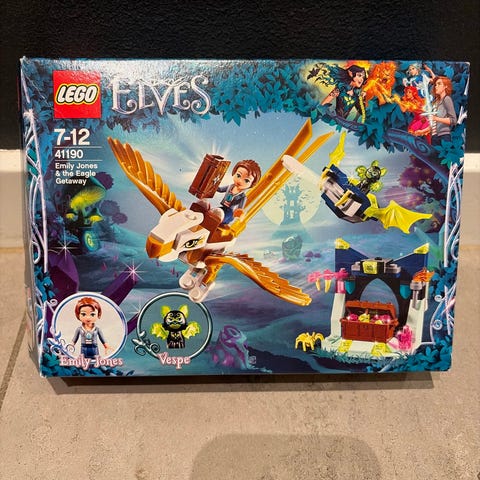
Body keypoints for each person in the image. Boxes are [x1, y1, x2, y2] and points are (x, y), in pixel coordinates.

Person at [212, 160, 261, 224]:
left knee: (219, 215)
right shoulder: (230, 187)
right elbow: (220, 189)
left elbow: (240, 209)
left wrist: (240, 214)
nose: (240, 181)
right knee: (213, 212)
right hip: (223, 208)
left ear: (252, 184)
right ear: (234, 173)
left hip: (230, 213)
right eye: (238, 175)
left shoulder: (243, 197)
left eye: (246, 181)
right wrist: (213, 184)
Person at [415, 76, 457, 146]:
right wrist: (422, 131)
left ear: (445, 86)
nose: (436, 86)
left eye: (439, 84)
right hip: (434, 137)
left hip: (443, 136)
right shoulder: (436, 102)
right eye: (435, 85)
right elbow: (434, 124)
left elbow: (453, 120)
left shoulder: (446, 99)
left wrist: (436, 118)